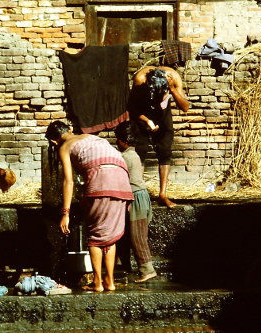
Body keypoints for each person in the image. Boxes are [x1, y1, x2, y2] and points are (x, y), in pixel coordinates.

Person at [45, 120, 133, 292]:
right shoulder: (93, 137)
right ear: (70, 129)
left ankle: (98, 282)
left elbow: (68, 181)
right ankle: (110, 281)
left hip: (102, 182)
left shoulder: (64, 147)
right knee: (110, 235)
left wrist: (66, 213)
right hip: (122, 181)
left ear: (54, 141)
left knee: (95, 237)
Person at [127, 66, 189, 209]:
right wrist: (147, 121)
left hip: (163, 115)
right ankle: (138, 193)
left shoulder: (173, 78)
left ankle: (162, 194)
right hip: (142, 114)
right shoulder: (140, 80)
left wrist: (173, 90)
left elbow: (185, 107)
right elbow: (131, 107)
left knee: (165, 150)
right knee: (140, 151)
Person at [115, 121, 157, 283]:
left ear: (124, 140)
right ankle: (123, 266)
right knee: (131, 234)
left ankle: (147, 270)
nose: (116, 143)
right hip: (141, 196)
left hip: (136, 198)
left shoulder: (125, 157)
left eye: (118, 139)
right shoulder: (134, 154)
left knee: (137, 236)